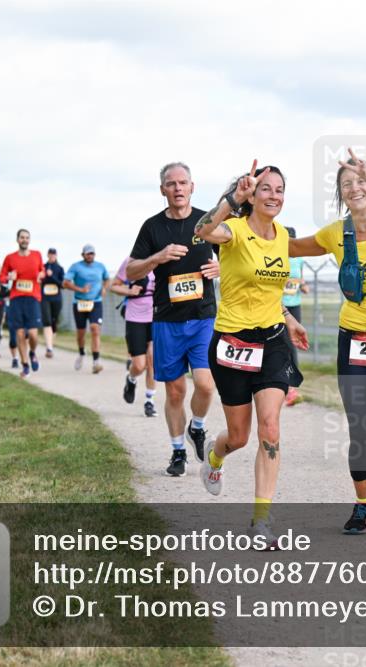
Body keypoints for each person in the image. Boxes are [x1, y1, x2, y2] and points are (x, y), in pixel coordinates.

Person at [288, 149, 366, 535]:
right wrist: (244, 226)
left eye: (361, 182)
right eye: (347, 184)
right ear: (341, 194)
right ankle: (362, 504)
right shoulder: (335, 232)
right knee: (361, 428)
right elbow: (291, 247)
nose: (354, 188)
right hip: (355, 340)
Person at [195, 161, 308, 547]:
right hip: (231, 343)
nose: (273, 195)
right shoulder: (234, 231)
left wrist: (290, 320)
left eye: (279, 189)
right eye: (265, 189)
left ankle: (261, 520)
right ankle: (215, 456)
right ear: (252, 194)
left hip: (273, 341)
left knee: (270, 427)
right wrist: (231, 200)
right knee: (240, 436)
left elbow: (271, 293)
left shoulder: (283, 237)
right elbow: (202, 230)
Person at [126, 162, 221, 477]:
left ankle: (198, 426)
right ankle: (178, 451)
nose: (178, 188)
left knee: (206, 386)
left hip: (203, 318)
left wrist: (220, 269)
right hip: (167, 320)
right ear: (163, 190)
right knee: (176, 391)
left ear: (192, 187)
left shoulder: (207, 223)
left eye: (183, 182)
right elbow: (131, 271)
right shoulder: (152, 227)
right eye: (171, 183)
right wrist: (157, 258)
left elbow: (236, 259)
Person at [112, 256, 158, 418]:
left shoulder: (161, 259)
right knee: (139, 365)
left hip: (156, 317)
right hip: (135, 318)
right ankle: (131, 379)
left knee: (153, 359)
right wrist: (129, 291)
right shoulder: (131, 261)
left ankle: (149, 401)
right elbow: (114, 286)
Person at [0, 229, 45, 378]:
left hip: (33, 298)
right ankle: (25, 365)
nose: (24, 240)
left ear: (29, 240)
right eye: (22, 237)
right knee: (19, 333)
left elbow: (42, 271)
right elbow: (2, 277)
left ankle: (32, 353)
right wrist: (8, 277)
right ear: (17, 240)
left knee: (33, 333)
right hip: (16, 299)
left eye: (27, 237)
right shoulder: (10, 258)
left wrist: (41, 275)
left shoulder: (37, 255)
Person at [63, 244, 110, 374]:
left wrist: (104, 288)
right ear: (83, 254)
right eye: (88, 253)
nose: (90, 256)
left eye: (92, 253)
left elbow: (107, 279)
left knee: (95, 329)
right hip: (79, 302)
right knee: (81, 333)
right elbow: (65, 283)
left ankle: (96, 362)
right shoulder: (76, 266)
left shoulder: (100, 266)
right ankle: (82, 353)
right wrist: (80, 289)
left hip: (95, 302)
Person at [282, 226, 310, 407]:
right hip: (279, 307)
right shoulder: (278, 258)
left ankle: (292, 385)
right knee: (284, 343)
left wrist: (303, 286)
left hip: (295, 305)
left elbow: (300, 279)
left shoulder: (299, 260)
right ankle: (287, 385)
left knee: (292, 343)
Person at [41, 247, 64, 358]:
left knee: (54, 322)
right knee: (47, 321)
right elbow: (40, 281)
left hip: (56, 299)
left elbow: (62, 284)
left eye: (54, 254)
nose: (52, 256)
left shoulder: (59, 268)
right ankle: (49, 348)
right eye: (50, 254)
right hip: (45, 298)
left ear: (56, 255)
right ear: (47, 255)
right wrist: (45, 275)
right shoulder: (43, 267)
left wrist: (52, 276)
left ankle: (51, 344)